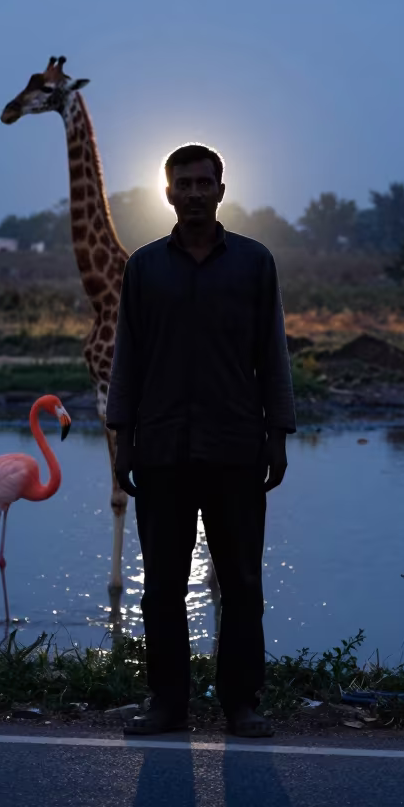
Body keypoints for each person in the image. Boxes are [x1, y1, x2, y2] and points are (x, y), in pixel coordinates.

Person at [105, 142, 296, 737]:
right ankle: (168, 703)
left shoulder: (254, 263)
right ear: (166, 192)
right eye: (182, 183)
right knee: (162, 585)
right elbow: (127, 359)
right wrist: (122, 440)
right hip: (161, 449)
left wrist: (278, 434)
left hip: (236, 447)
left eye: (202, 182)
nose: (192, 192)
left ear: (220, 189)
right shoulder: (143, 267)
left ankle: (242, 704)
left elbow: (273, 353)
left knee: (241, 582)